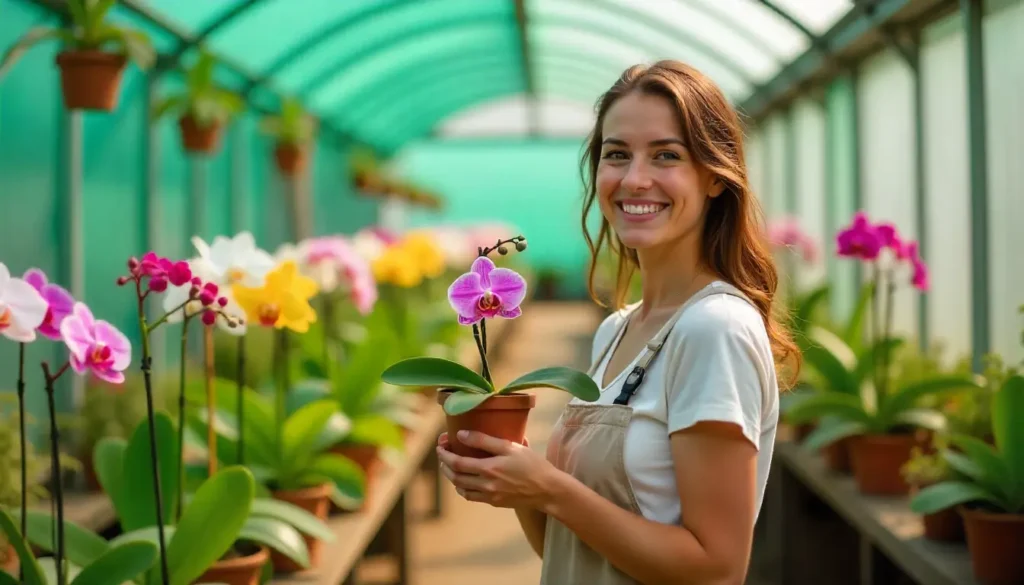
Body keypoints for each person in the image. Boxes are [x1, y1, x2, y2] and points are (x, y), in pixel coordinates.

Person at [436, 60, 800, 585]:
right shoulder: (618, 329)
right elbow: (570, 550)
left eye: (666, 155)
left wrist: (549, 488)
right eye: (617, 155)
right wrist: (513, 481)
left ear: (715, 178)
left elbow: (716, 569)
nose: (634, 179)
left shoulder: (714, 329)